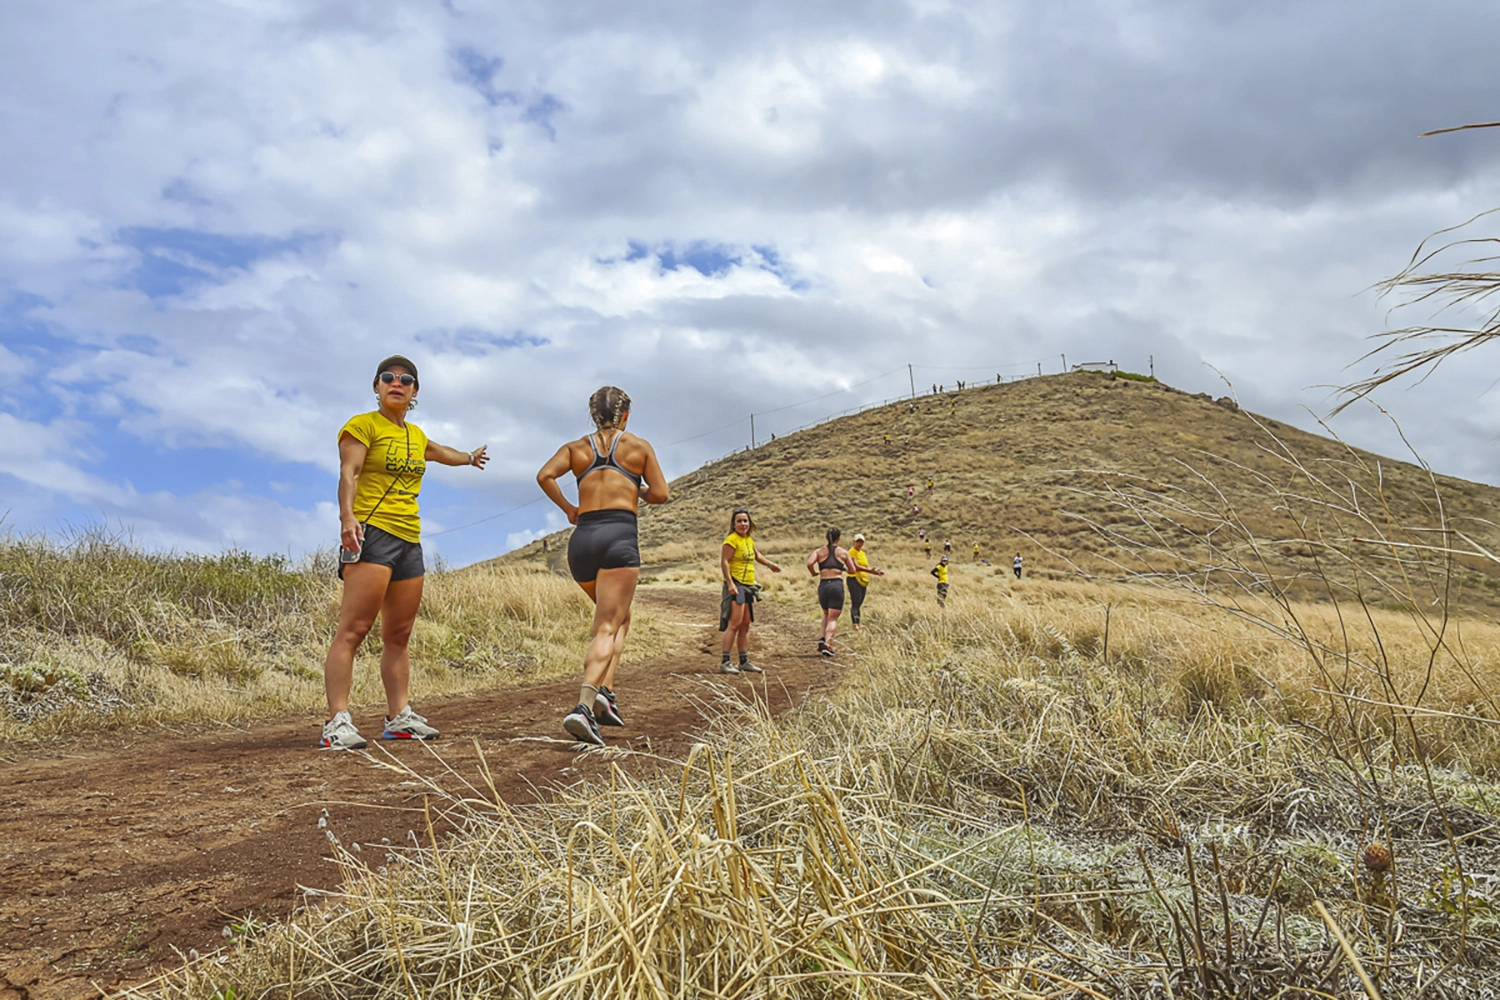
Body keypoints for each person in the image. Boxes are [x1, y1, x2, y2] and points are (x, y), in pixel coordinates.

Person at [320, 355, 490, 750]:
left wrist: (468, 458)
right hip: (371, 533)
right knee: (354, 629)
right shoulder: (362, 426)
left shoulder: (414, 435)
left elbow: (436, 450)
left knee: (399, 634)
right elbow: (350, 473)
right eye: (388, 377)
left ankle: (399, 719)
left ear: (414, 392)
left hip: (409, 539)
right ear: (377, 386)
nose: (397, 383)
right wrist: (347, 517)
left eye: (406, 379)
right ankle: (337, 721)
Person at [537, 386, 670, 746]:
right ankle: (583, 705)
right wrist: (635, 488)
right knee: (607, 627)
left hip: (583, 542)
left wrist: (568, 508)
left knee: (618, 618)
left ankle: (604, 694)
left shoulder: (576, 449)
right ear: (626, 415)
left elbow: (544, 475)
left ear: (593, 415)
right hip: (618, 537)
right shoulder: (638, 447)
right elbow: (661, 494)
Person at [721, 508, 782, 673]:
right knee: (734, 624)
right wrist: (730, 584)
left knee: (745, 624)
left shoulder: (748, 539)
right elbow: (725, 562)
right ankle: (725, 662)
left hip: (749, 585)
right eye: (739, 521)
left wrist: (770, 565)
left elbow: (757, 555)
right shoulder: (731, 540)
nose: (743, 524)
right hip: (738, 584)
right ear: (734, 524)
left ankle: (744, 661)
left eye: (745, 521)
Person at [806, 527, 860, 656]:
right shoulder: (843, 552)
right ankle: (827, 645)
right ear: (838, 538)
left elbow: (809, 563)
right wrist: (843, 568)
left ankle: (823, 637)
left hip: (823, 585)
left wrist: (814, 572)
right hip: (836, 585)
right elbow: (852, 570)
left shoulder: (819, 551)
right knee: (833, 618)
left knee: (826, 614)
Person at [846, 533, 885, 630]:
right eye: (858, 541)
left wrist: (874, 571)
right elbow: (855, 567)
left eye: (861, 542)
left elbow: (865, 566)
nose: (859, 543)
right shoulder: (852, 552)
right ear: (854, 542)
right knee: (855, 602)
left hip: (863, 579)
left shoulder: (862, 553)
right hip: (854, 579)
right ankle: (855, 624)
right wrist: (871, 571)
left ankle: (858, 622)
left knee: (860, 602)